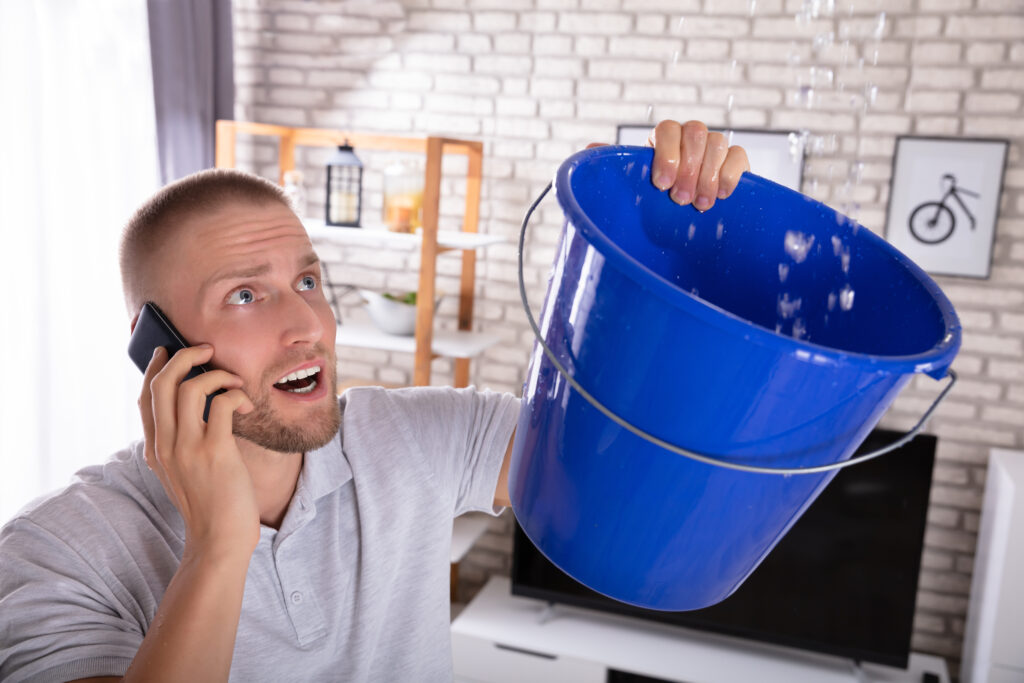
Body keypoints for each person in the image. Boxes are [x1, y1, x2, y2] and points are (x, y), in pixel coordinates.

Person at [0, 120, 749, 683]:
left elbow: (621, 453)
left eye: (308, 281)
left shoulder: (412, 436)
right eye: (244, 294)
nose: (309, 325)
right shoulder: (58, 553)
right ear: (156, 348)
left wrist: (660, 240)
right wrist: (222, 542)